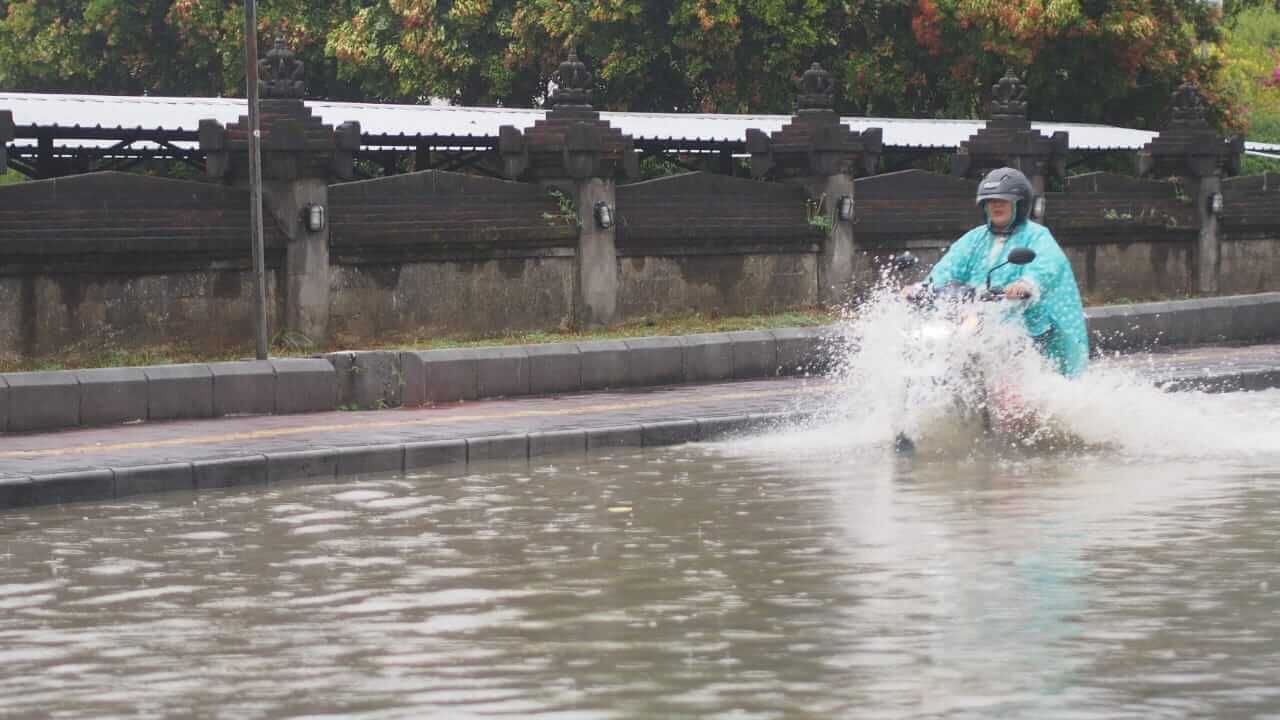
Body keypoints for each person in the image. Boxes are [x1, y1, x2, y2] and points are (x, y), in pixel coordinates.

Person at [903, 167, 1089, 377]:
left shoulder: (1037, 236)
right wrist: (923, 287)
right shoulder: (975, 238)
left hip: (1026, 321)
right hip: (977, 314)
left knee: (1010, 368)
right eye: (990, 201)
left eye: (1003, 200)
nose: (996, 205)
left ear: (1020, 204)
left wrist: (1026, 285)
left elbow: (1046, 265)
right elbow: (949, 266)